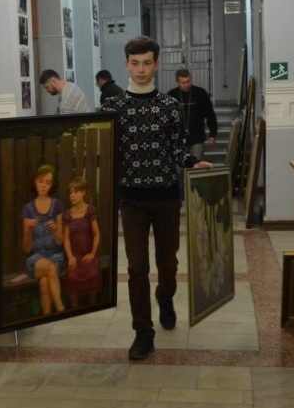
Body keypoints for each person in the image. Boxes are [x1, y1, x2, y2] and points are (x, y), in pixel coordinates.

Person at [99, 36, 212, 360]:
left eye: (147, 63)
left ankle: (165, 296)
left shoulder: (169, 106)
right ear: (126, 65)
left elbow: (176, 149)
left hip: (165, 198)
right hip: (131, 200)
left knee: (168, 265)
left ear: (156, 64)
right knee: (137, 267)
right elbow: (105, 152)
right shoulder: (112, 109)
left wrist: (192, 161)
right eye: (135, 63)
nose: (141, 69)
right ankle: (143, 333)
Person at [21, 164, 66, 315]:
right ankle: (61, 309)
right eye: (41, 181)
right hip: (37, 259)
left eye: (48, 182)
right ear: (35, 182)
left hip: (56, 257)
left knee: (44, 283)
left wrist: (55, 230)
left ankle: (47, 317)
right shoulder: (28, 209)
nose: (43, 185)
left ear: (52, 185)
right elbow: (27, 248)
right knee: (50, 269)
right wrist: (28, 230)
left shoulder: (57, 205)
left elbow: (60, 241)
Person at [62, 177, 101, 308]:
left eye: (76, 192)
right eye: (70, 192)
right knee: (72, 277)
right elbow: (66, 238)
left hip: (88, 254)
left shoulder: (90, 210)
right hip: (75, 256)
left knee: (93, 274)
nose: (72, 195)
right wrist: (70, 257)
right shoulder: (68, 214)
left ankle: (92, 306)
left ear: (83, 193)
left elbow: (96, 234)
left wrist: (93, 253)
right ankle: (75, 309)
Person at [173, 68, 218, 160]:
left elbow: (210, 115)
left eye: (188, 81)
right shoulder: (171, 95)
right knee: (180, 166)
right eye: (183, 83)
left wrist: (212, 135)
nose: (186, 85)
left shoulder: (201, 93)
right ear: (177, 82)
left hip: (197, 138)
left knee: (196, 164)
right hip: (178, 140)